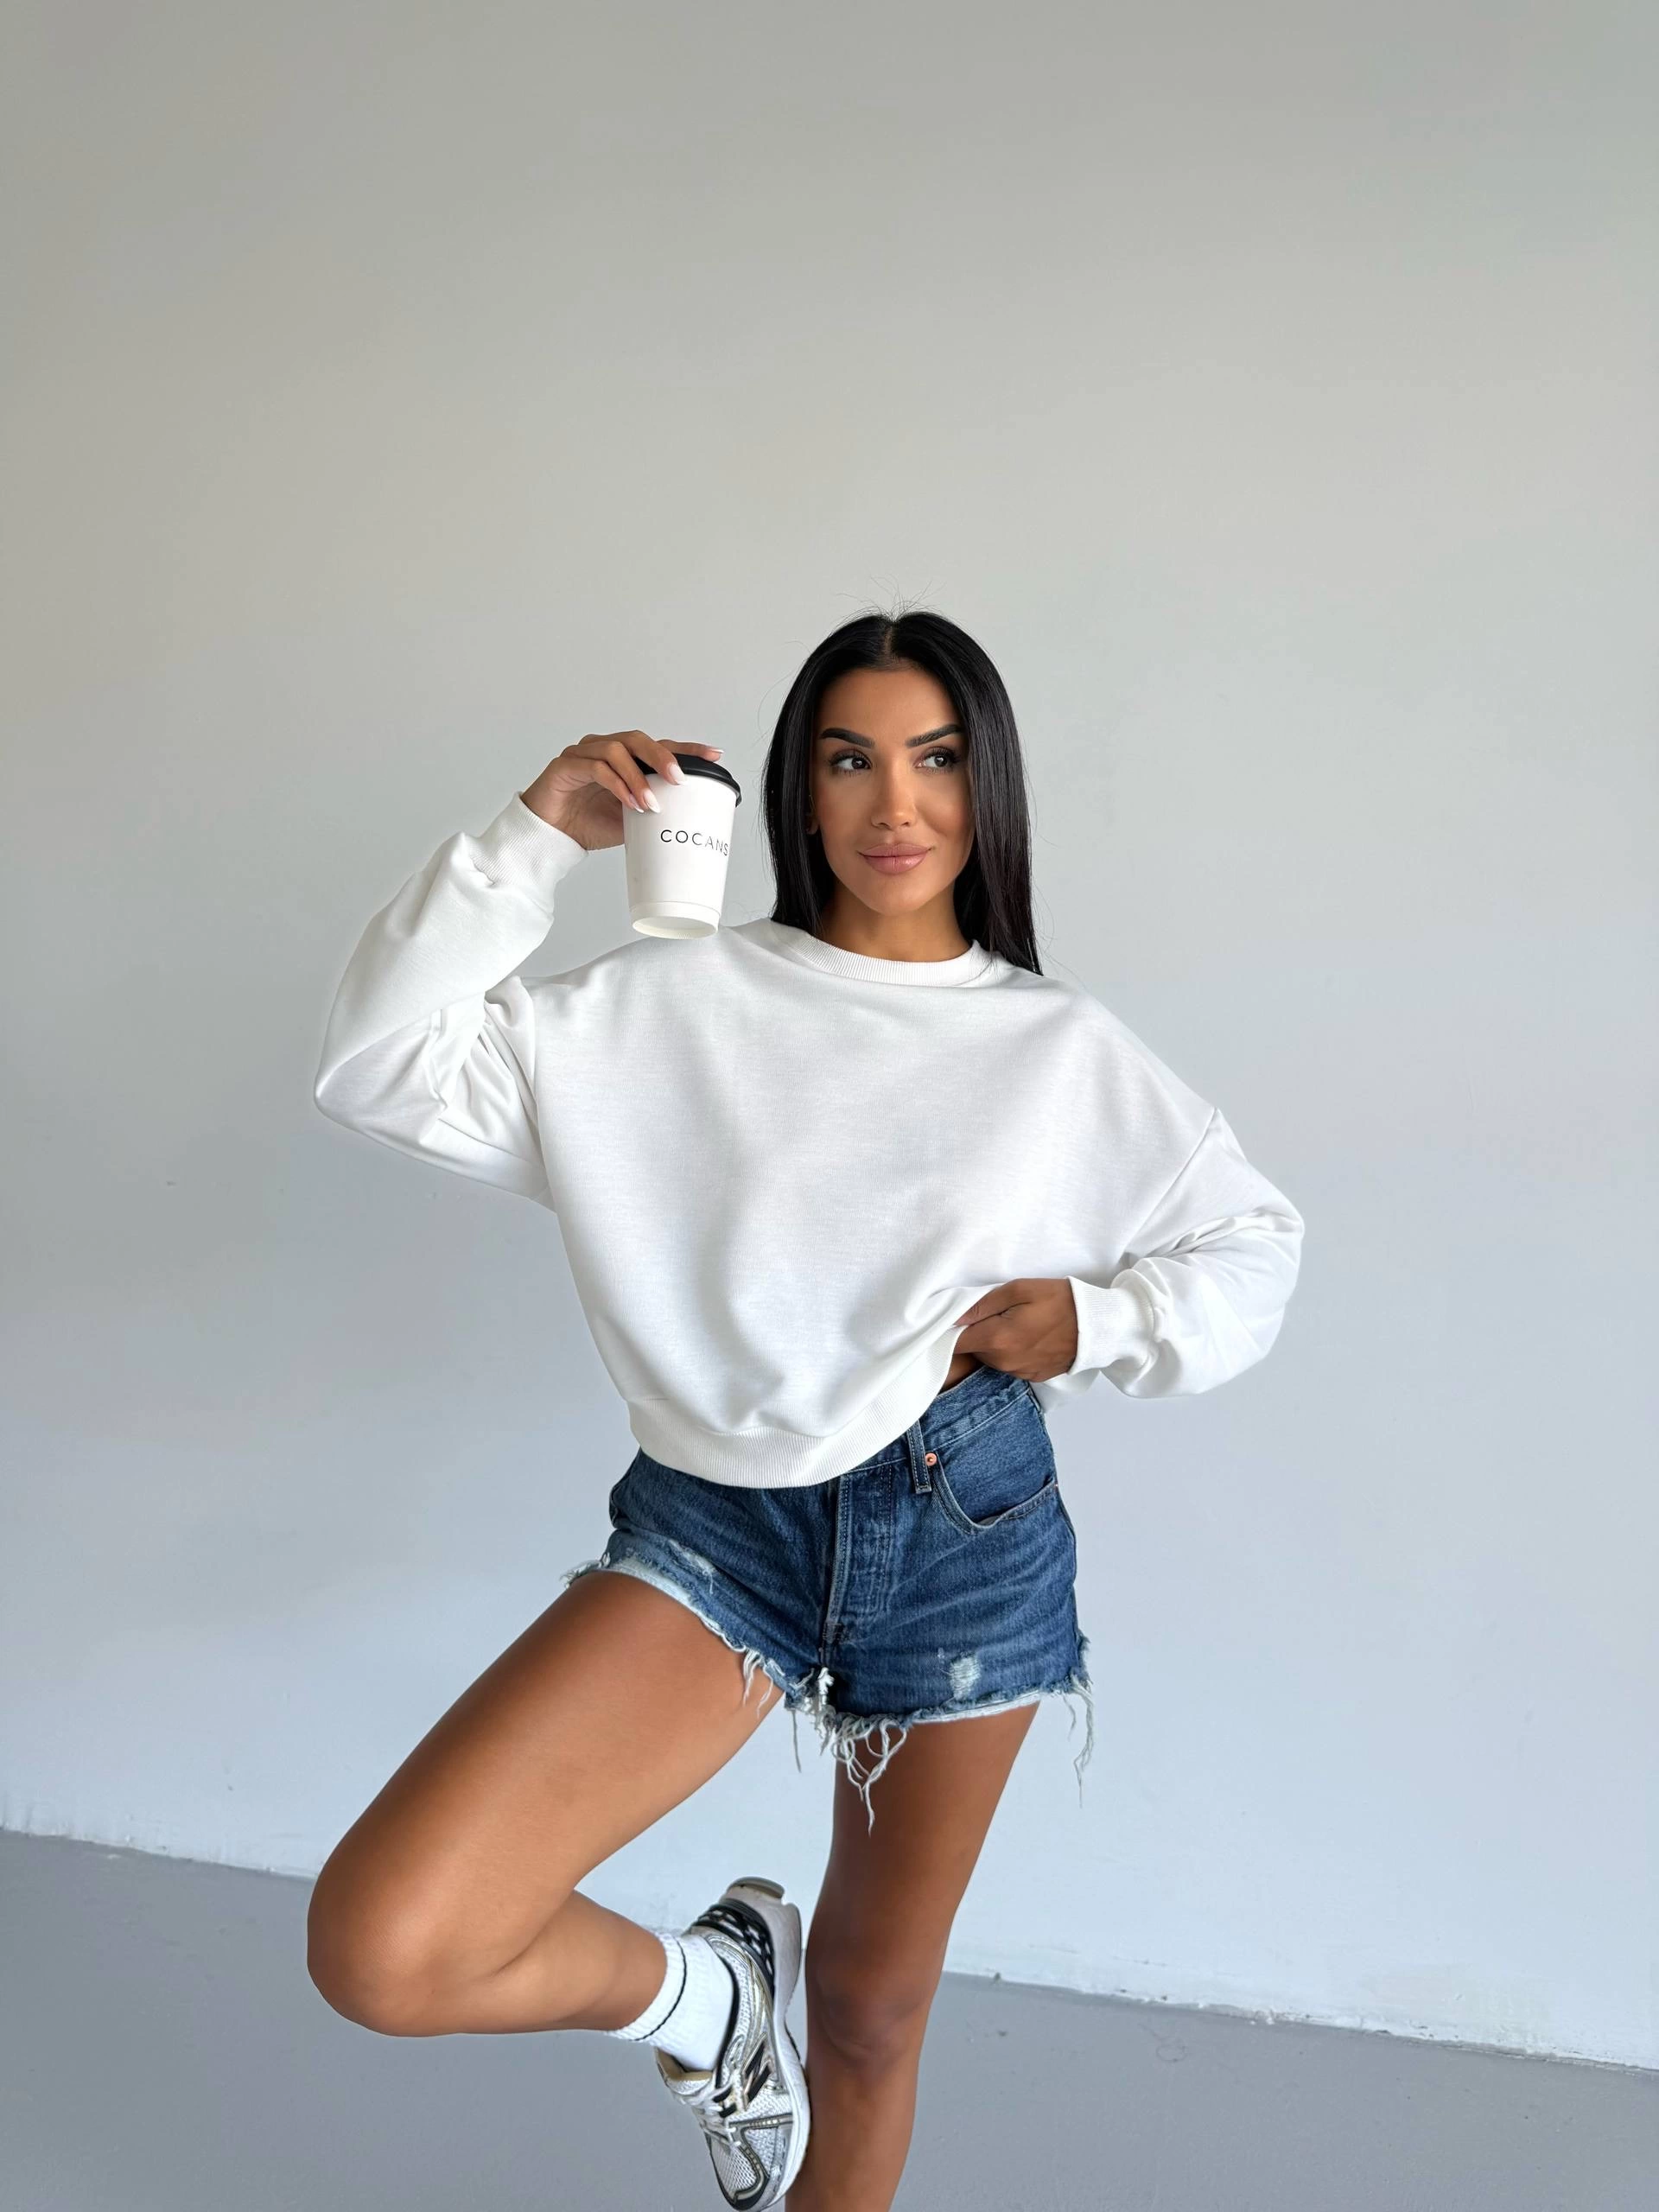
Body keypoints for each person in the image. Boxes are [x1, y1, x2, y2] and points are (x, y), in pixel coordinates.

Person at [305, 607, 1305, 2211]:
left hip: (966, 1525)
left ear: (988, 787)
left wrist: (1106, 1318)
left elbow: (1253, 1243)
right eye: (850, 760)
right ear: (796, 791)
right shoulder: (665, 1003)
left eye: (936, 758)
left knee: (871, 2010)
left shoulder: (1058, 1048)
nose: (895, 803)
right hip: (721, 1530)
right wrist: (534, 835)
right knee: (387, 1943)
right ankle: (712, 2002)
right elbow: (377, 1065)